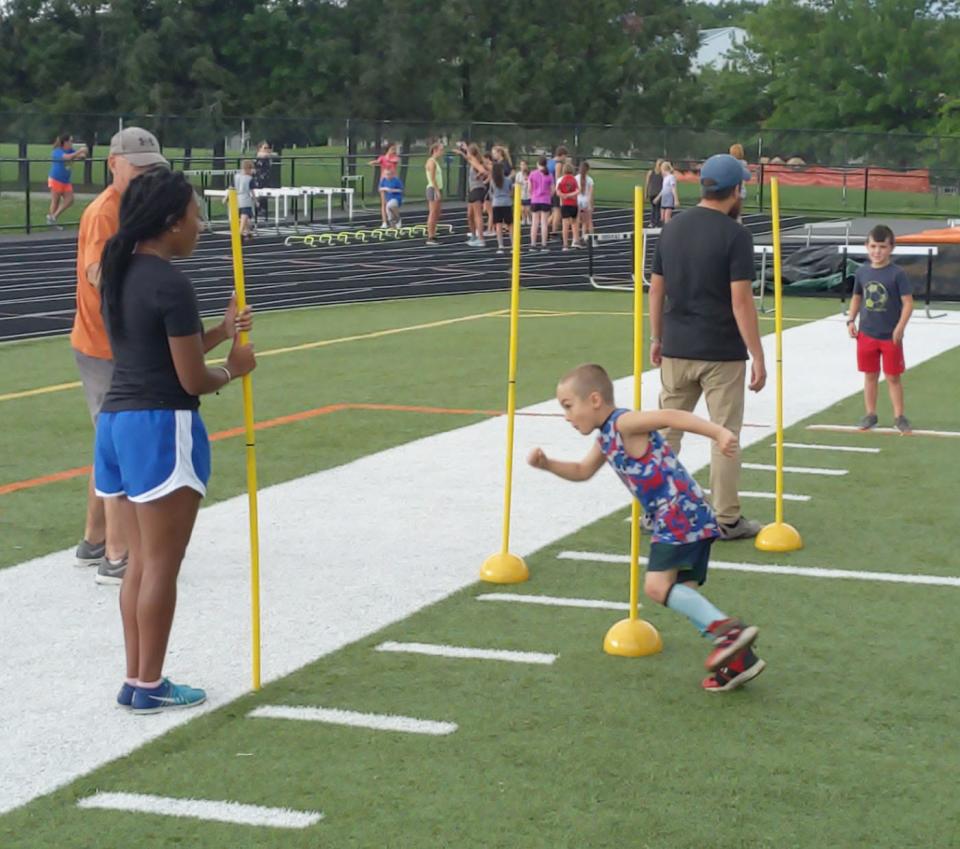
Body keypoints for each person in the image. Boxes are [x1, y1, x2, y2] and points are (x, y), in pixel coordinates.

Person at [96, 168, 256, 713]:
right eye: (195, 216)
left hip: (116, 425)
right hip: (161, 425)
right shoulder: (170, 282)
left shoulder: (120, 273)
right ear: (170, 222)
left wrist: (219, 332)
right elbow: (191, 379)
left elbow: (158, 349)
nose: (201, 227)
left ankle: (136, 677)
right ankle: (150, 684)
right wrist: (234, 369)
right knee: (161, 564)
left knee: (140, 561)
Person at [528, 364, 765, 692]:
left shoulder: (624, 423)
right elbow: (583, 470)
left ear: (594, 399)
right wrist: (548, 464)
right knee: (678, 590)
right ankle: (738, 659)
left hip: (679, 514)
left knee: (656, 587)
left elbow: (672, 416)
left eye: (568, 406)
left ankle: (729, 634)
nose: (566, 416)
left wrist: (719, 432)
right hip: (683, 515)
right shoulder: (606, 437)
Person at [649, 153, 766, 541]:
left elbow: (657, 288)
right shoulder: (736, 235)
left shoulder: (672, 228)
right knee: (724, 436)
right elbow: (741, 301)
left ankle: (656, 510)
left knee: (667, 432)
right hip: (721, 352)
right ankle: (727, 518)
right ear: (735, 191)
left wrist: (656, 336)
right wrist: (758, 354)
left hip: (677, 346)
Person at [71, 127, 169, 584]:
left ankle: (95, 539)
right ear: (114, 164)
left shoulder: (135, 209)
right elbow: (97, 272)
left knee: (109, 443)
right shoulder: (105, 212)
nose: (147, 177)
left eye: (153, 170)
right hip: (104, 346)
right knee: (123, 445)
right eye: (139, 169)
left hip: (117, 344)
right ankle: (117, 553)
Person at [846, 225, 914, 433]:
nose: (877, 251)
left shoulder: (897, 274)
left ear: (891, 248)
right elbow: (857, 297)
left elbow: (908, 303)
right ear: (867, 247)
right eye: (873, 246)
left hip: (889, 336)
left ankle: (899, 416)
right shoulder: (862, 272)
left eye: (882, 247)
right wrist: (851, 320)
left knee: (893, 376)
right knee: (870, 375)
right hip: (867, 334)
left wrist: (900, 327)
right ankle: (871, 414)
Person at [47, 134, 87, 229]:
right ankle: (52, 222)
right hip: (56, 179)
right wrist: (79, 152)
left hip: (65, 180)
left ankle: (53, 217)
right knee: (55, 201)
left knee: (70, 200)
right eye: (70, 141)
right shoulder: (57, 151)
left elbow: (80, 156)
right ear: (65, 142)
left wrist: (83, 153)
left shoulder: (71, 151)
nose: (71, 143)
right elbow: (67, 157)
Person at [455, 142, 488, 247]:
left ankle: (481, 239)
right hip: (473, 190)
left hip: (477, 189)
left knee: (477, 215)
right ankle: (474, 235)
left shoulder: (475, 161)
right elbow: (468, 158)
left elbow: (483, 171)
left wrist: (479, 175)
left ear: (471, 153)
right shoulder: (473, 160)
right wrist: (462, 151)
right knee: (469, 215)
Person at [368, 143, 400, 229]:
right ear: (388, 149)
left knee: (393, 203)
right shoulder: (382, 158)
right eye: (392, 149)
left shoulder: (394, 158)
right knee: (384, 203)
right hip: (384, 181)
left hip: (393, 182)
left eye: (394, 149)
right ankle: (384, 222)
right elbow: (376, 162)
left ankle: (396, 220)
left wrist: (384, 161)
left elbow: (395, 161)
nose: (394, 151)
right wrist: (374, 162)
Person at [527, 157, 553, 253]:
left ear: (538, 163)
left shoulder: (533, 174)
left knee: (534, 223)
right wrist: (548, 196)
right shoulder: (549, 175)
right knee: (544, 223)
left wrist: (532, 195)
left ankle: (533, 244)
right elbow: (552, 189)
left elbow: (529, 188)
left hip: (535, 199)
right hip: (545, 200)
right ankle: (544, 245)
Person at [489, 160, 515, 255]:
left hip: (496, 203)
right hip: (507, 203)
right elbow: (511, 192)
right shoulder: (508, 180)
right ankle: (513, 245)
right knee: (510, 225)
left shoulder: (492, 181)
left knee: (498, 225)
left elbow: (491, 193)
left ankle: (500, 245)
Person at [252, 141, 278, 229]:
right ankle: (257, 213)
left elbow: (275, 155)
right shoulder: (259, 156)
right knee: (259, 196)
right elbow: (263, 155)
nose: (267, 150)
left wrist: (270, 153)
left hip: (266, 179)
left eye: (267, 148)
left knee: (265, 197)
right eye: (264, 148)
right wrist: (269, 153)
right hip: (259, 179)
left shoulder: (267, 157)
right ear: (259, 149)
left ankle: (264, 217)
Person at [556, 162, 580, 251]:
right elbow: (578, 191)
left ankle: (565, 244)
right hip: (574, 204)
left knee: (565, 225)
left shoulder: (560, 180)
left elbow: (558, 192)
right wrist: (571, 194)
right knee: (574, 223)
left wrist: (564, 195)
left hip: (565, 205)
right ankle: (575, 241)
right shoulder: (574, 180)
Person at [425, 141, 444, 246]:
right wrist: (437, 191)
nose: (442, 152)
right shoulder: (431, 162)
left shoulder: (435, 162)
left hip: (437, 188)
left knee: (437, 213)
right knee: (433, 213)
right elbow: (432, 178)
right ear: (435, 150)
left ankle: (433, 234)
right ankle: (430, 237)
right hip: (433, 189)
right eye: (441, 150)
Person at [547, 145, 569, 234]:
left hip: (549, 188)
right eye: (565, 156)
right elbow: (558, 178)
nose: (566, 158)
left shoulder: (549, 162)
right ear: (562, 155)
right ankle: (554, 231)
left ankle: (545, 227)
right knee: (557, 211)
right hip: (556, 189)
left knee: (554, 211)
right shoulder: (558, 164)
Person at [235, 159, 255, 239]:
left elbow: (231, 187)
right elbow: (251, 191)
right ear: (248, 169)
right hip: (245, 198)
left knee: (244, 215)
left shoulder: (236, 176)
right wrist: (255, 200)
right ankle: (240, 232)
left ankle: (248, 232)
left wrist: (226, 197)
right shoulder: (249, 178)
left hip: (237, 197)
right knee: (245, 215)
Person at [575, 160, 594, 245]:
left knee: (577, 221)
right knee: (588, 221)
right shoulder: (590, 180)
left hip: (578, 201)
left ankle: (576, 240)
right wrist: (590, 205)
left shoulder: (576, 178)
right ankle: (591, 240)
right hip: (586, 201)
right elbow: (590, 194)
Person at [729, 144, 750, 222]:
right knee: (737, 213)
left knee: (733, 212)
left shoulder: (735, 164)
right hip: (740, 191)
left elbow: (747, 176)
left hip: (734, 191)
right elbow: (748, 176)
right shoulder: (743, 164)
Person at [645, 158, 664, 227]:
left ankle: (656, 222)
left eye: (660, 164)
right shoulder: (651, 172)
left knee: (657, 208)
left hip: (659, 193)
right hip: (652, 192)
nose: (659, 165)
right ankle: (652, 222)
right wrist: (646, 193)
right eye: (658, 163)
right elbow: (647, 183)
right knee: (653, 208)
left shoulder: (662, 174)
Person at [516, 159, 531, 225]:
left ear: (527, 166)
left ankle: (529, 219)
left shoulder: (530, 174)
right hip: (521, 194)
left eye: (524, 165)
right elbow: (516, 183)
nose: (523, 166)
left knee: (528, 209)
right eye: (521, 165)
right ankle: (523, 219)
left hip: (528, 194)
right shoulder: (518, 174)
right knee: (522, 209)